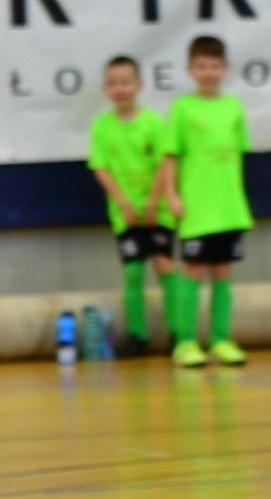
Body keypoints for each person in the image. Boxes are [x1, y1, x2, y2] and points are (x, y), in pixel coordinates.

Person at [162, 36, 253, 369]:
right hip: (197, 207)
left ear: (225, 69)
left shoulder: (233, 108)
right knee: (194, 271)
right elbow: (170, 156)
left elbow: (239, 156)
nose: (208, 72)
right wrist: (171, 195)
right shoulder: (182, 109)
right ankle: (185, 342)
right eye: (202, 66)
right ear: (190, 70)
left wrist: (239, 199)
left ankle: (220, 339)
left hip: (228, 207)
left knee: (224, 272)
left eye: (214, 66)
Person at [88, 56, 178, 356]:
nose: (120, 89)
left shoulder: (153, 122)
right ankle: (137, 335)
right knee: (133, 272)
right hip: (125, 213)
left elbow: (165, 163)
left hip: (158, 209)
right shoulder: (102, 126)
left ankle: (179, 332)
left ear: (138, 85)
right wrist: (123, 202)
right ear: (105, 89)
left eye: (126, 82)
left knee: (165, 265)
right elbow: (101, 168)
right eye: (113, 83)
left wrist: (154, 201)